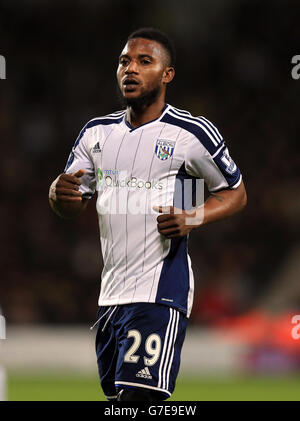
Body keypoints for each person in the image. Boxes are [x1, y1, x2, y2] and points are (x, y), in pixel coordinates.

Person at [49, 27, 247, 401]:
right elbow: (69, 202)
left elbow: (236, 193)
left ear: (167, 74)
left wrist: (193, 217)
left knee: (140, 402)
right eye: (125, 61)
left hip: (160, 292)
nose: (131, 69)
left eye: (144, 61)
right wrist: (57, 193)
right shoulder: (96, 133)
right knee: (119, 403)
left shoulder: (191, 132)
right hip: (110, 297)